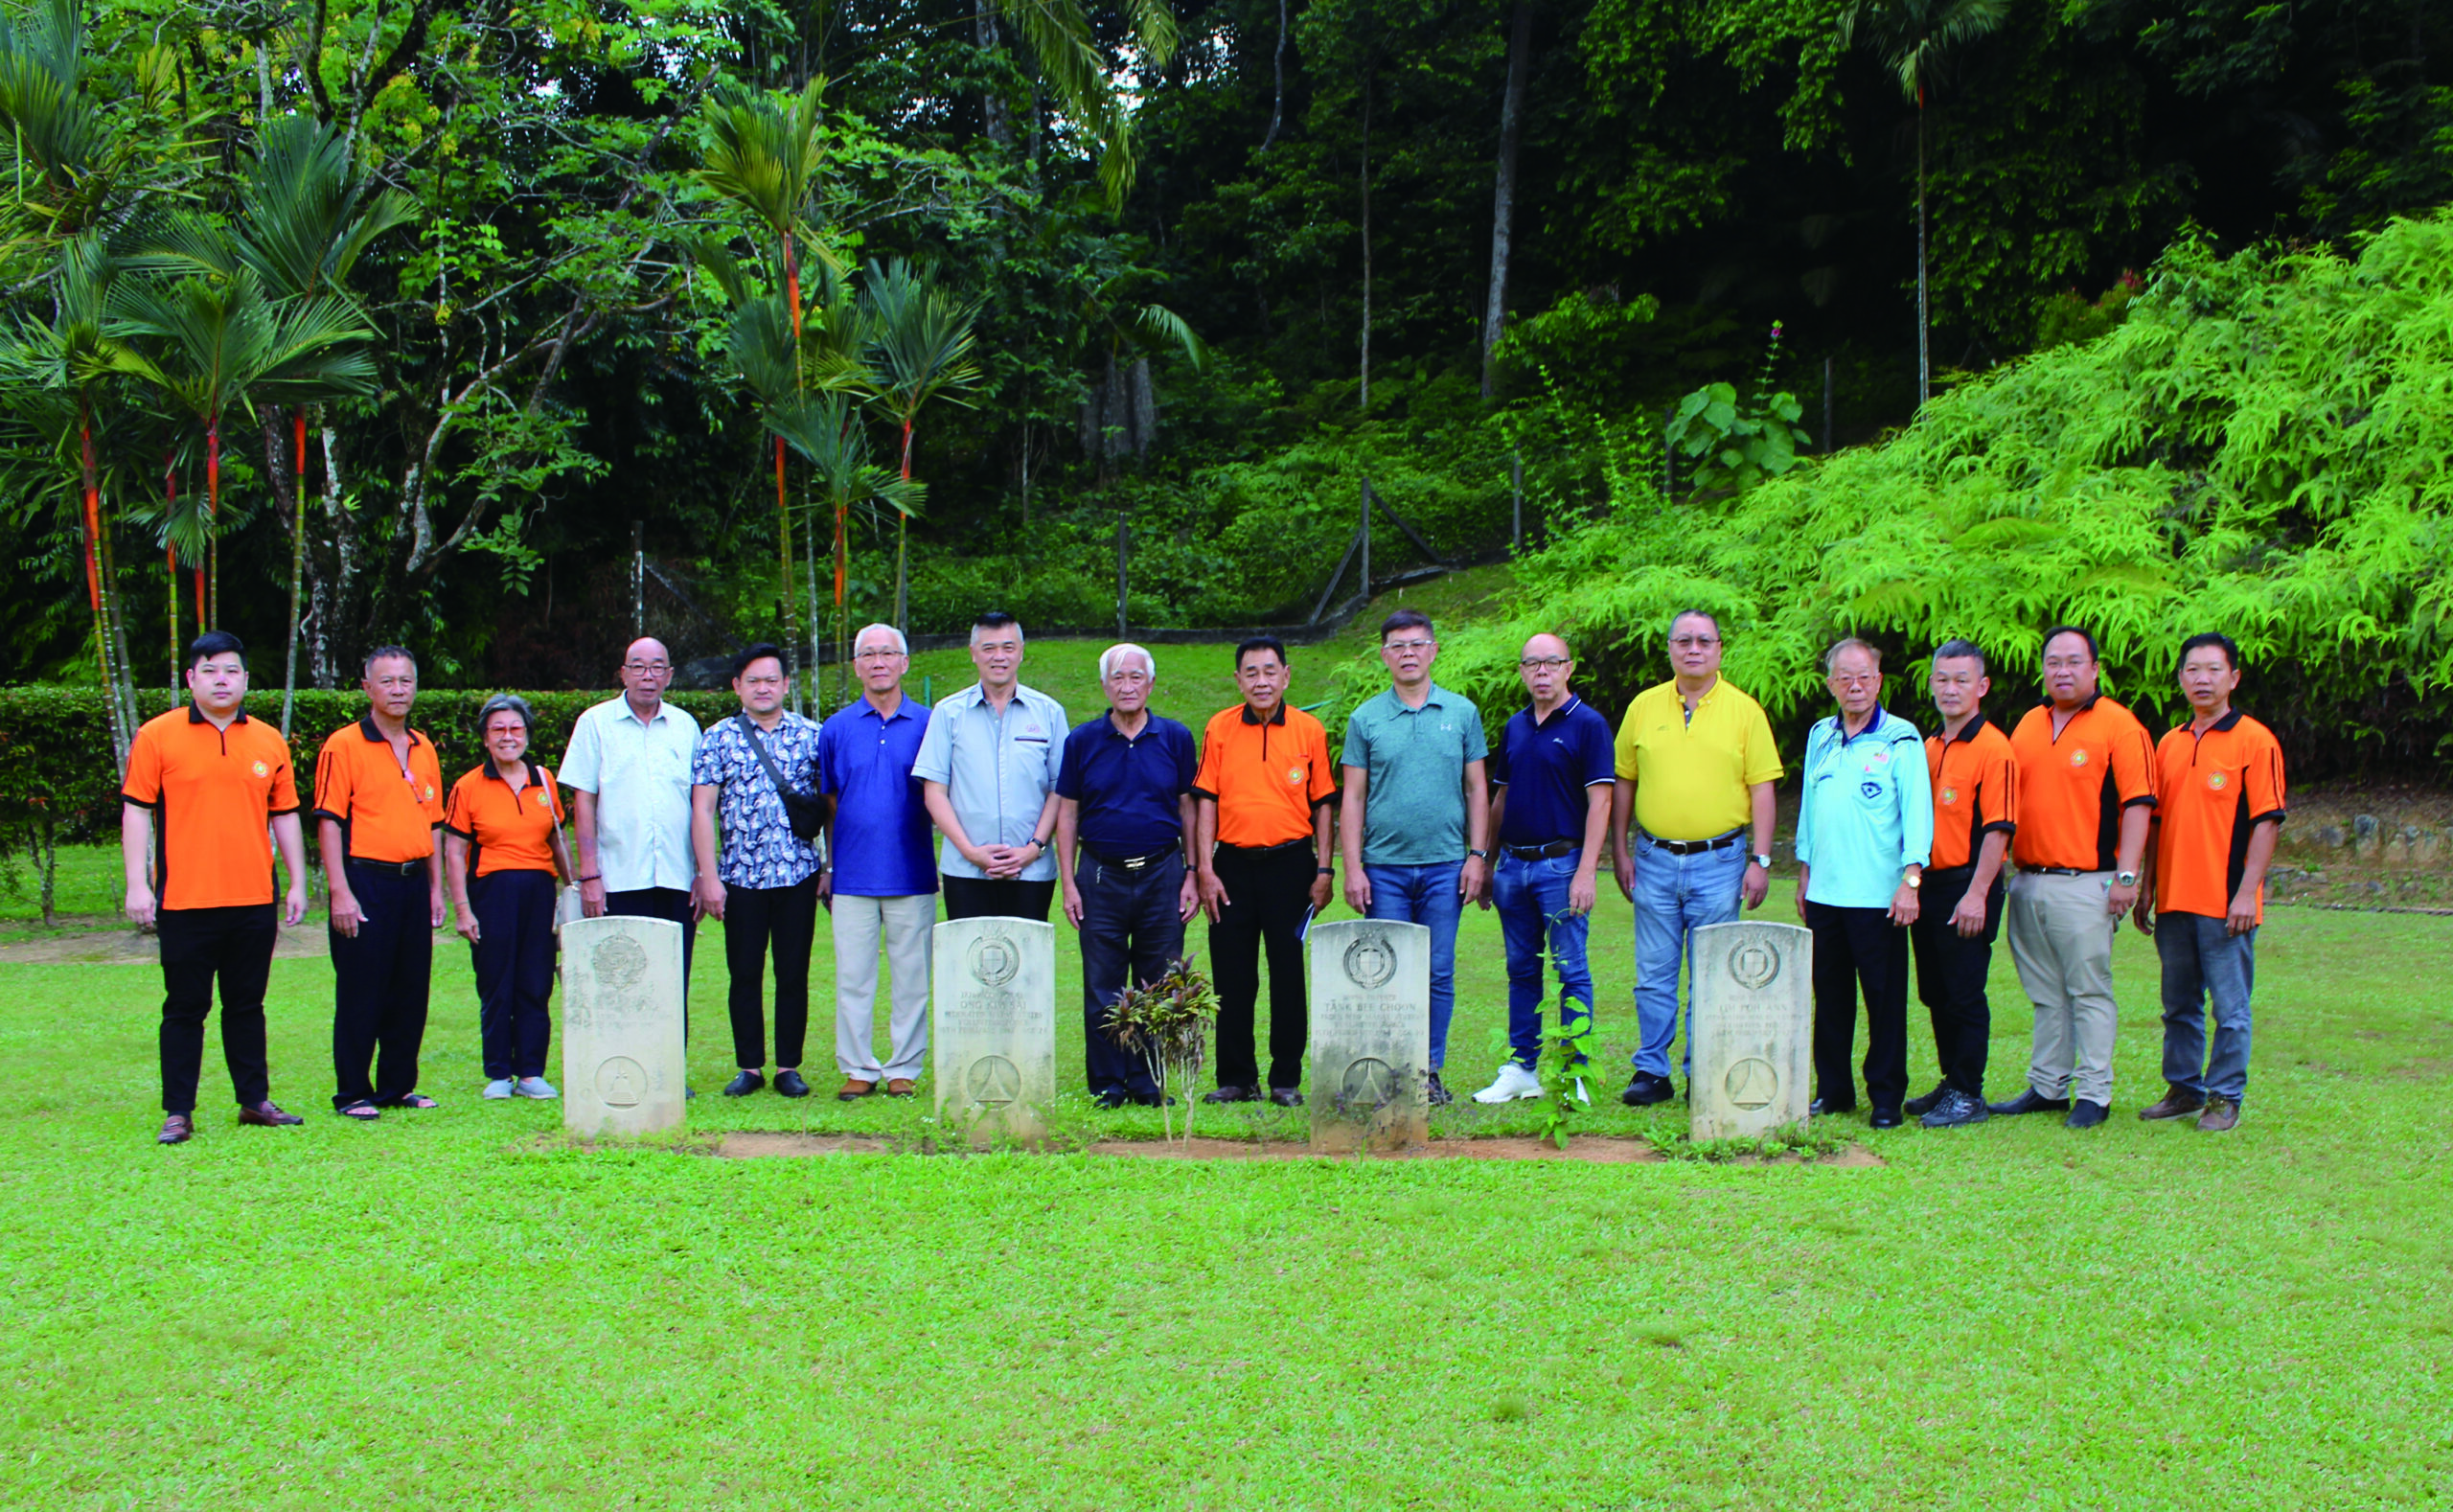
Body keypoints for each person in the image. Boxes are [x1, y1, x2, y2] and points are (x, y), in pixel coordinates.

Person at [121, 631, 310, 1145]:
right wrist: (137, 884)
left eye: (230, 670)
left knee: (247, 1004)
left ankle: (254, 1101)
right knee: (184, 1007)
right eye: (209, 670)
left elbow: (286, 813)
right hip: (185, 899)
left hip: (252, 898)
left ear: (246, 678)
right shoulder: (158, 736)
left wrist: (297, 881)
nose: (221, 680)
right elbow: (137, 809)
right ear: (191, 679)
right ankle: (178, 1111)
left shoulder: (269, 740)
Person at [1608, 609, 1782, 1107]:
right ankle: (1652, 1071)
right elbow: (1624, 781)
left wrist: (1762, 860)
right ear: (1669, 649)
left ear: (1720, 649)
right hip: (1654, 859)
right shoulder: (1643, 707)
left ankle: (1702, 1069)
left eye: (1704, 641)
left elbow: (1763, 788)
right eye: (1683, 641)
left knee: (1710, 972)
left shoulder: (1745, 711)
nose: (1694, 649)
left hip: (1720, 861)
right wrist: (1618, 850)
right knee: (1654, 973)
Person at [1993, 626, 2156, 1129]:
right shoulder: (2028, 724)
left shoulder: (2120, 726)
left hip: (2088, 880)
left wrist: (2128, 876)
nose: (2062, 671)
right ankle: (2048, 1085)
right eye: (2053, 662)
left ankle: (2095, 1092)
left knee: (2088, 989)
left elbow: (2138, 805)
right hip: (2028, 878)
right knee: (2045, 992)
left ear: (2095, 668)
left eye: (2073, 662)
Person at [2131, 632, 2285, 1134]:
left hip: (2226, 901)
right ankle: (2183, 1087)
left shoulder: (2255, 741)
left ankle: (2225, 1097)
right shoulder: (2169, 744)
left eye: (2214, 670)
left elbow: (2267, 821)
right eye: (2193, 670)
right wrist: (2148, 886)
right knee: (2178, 1003)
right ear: (2180, 678)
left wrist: (2247, 891)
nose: (2202, 679)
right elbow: (2154, 823)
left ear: (2233, 678)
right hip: (2175, 899)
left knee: (2231, 1007)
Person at [1340, 608, 1489, 1107]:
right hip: (1384, 867)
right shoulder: (1366, 718)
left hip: (1447, 863)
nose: (1408, 653)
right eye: (1397, 645)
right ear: (1384, 655)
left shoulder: (1462, 713)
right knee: (1386, 971)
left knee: (1438, 970)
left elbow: (1476, 788)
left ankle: (1428, 1069)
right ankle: (1389, 1068)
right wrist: (1353, 866)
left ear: (1433, 650)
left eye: (1417, 644)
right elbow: (1354, 797)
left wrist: (1476, 855)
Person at [1191, 635, 1338, 1107]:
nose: (1261, 681)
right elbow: (1206, 802)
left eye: (1269, 671)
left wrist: (1324, 869)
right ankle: (1236, 1077)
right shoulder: (1219, 728)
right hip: (1231, 864)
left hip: (1291, 865)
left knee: (1288, 972)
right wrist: (1205, 870)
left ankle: (1285, 1079)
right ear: (1237, 680)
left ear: (1286, 676)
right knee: (1233, 975)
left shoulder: (1308, 730)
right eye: (1250, 673)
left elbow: (1323, 806)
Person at [1793, 638, 1932, 1129]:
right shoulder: (1820, 736)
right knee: (1829, 999)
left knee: (1884, 1001)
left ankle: (1887, 1097)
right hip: (1826, 894)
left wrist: (1911, 880)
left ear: (1879, 680)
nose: (1855, 686)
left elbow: (1919, 814)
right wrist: (1804, 869)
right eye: (1844, 678)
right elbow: (1810, 809)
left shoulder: (1902, 738)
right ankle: (1833, 1091)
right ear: (1830, 683)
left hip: (1879, 897)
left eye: (1864, 677)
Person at [1471, 633, 1614, 1105]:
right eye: (1532, 664)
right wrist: (1488, 862)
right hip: (1513, 864)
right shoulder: (1515, 726)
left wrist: (1587, 871)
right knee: (1521, 969)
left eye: (1552, 663)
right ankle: (1522, 1067)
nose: (1542, 672)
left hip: (1562, 864)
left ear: (1568, 668)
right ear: (1522, 671)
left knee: (1571, 969)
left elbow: (1601, 801)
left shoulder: (1588, 725)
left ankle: (1576, 1070)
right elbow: (1501, 797)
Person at [1056, 644, 1200, 1108]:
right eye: (1118, 678)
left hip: (1163, 871)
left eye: (1136, 677)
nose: (1127, 686)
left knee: (1158, 982)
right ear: (1104, 686)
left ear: (1151, 684)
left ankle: (1148, 1080)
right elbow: (1068, 813)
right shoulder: (1082, 741)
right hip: (1100, 875)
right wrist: (1068, 881)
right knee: (1103, 983)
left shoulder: (1175, 738)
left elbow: (1188, 808)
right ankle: (1108, 1083)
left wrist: (1193, 873)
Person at [314, 646, 447, 1121]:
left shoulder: (424, 746)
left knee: (410, 988)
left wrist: (436, 889)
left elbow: (433, 822)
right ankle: (352, 1091)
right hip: (365, 880)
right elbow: (329, 821)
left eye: (406, 681)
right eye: (387, 681)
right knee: (361, 988)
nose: (397, 690)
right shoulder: (344, 745)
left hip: (413, 882)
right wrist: (339, 891)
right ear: (367, 687)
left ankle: (397, 1085)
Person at [691, 643, 823, 1099]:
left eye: (772, 680)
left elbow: (828, 806)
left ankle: (788, 1066)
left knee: (793, 972)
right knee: (743, 972)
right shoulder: (718, 738)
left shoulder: (812, 736)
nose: (763, 688)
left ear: (786, 685)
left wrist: (828, 867)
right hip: (740, 877)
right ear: (737, 686)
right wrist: (709, 876)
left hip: (798, 874)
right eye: (753, 681)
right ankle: (749, 1066)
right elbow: (703, 809)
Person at [817, 625, 937, 1101]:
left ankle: (904, 1067)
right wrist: (831, 864)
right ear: (856, 666)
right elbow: (829, 797)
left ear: (905, 662)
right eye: (867, 654)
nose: (878, 662)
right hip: (852, 873)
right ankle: (859, 1068)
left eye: (888, 653)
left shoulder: (931, 723)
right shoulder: (836, 727)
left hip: (912, 871)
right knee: (853, 976)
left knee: (912, 976)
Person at [561, 636, 702, 1029]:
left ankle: (671, 1071)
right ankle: (622, 1067)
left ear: (669, 675)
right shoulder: (595, 723)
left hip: (675, 876)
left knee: (673, 977)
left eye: (657, 667)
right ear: (623, 673)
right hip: (618, 877)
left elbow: (700, 805)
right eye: (638, 667)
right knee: (619, 979)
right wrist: (589, 875)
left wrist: (702, 873)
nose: (647, 676)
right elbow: (583, 801)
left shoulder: (685, 727)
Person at [1907, 639, 2019, 1129]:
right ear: (1931, 683)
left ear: (1982, 686)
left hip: (1967, 886)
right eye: (1943, 679)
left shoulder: (1995, 748)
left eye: (1962, 680)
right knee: (1934, 991)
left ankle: (1969, 1092)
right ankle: (1950, 1081)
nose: (1951, 689)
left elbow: (1998, 828)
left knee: (1964, 991)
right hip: (1926, 885)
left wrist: (1977, 893)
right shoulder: (1926, 746)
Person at [443, 694, 574, 1101]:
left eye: (516, 728)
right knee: (496, 981)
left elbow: (556, 838)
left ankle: (531, 1072)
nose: (507, 736)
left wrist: (575, 888)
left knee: (535, 981)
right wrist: (462, 910)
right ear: (484, 737)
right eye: (497, 729)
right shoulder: (468, 786)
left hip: (538, 891)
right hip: (491, 892)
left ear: (527, 735)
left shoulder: (543, 779)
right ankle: (499, 1071)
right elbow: (453, 851)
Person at [914, 611, 1067, 922]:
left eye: (1008, 647)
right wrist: (970, 852)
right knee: (971, 966)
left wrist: (1033, 848)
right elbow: (934, 792)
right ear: (973, 654)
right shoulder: (947, 713)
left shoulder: (1049, 713)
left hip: (1032, 871)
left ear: (1021, 651)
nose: (999, 657)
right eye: (989, 648)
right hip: (965, 870)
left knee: (1027, 965)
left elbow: (1060, 789)